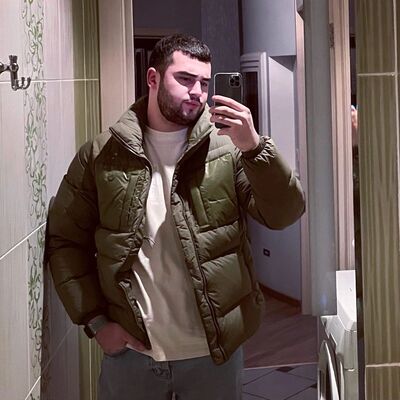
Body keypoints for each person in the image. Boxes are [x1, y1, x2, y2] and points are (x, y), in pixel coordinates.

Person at [46, 34, 305, 400]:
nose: (196, 92)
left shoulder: (228, 149)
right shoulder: (102, 154)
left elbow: (284, 213)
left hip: (213, 356)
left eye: (204, 82)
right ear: (153, 78)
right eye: (184, 79)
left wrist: (255, 148)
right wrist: (96, 322)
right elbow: (65, 241)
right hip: (132, 354)